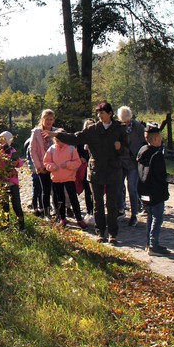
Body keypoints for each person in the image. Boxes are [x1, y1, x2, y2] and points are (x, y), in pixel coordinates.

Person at [51, 101, 127, 243]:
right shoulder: (93, 129)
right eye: (97, 113)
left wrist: (119, 147)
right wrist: (58, 135)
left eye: (102, 112)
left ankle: (113, 234)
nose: (99, 115)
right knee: (97, 203)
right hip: (96, 171)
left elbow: (127, 150)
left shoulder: (119, 129)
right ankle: (100, 232)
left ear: (109, 114)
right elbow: (76, 138)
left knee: (111, 204)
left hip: (113, 171)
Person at [137, 122, 174, 255]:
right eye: (160, 137)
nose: (161, 140)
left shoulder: (142, 151)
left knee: (150, 215)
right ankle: (154, 244)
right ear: (155, 139)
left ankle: (149, 243)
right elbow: (161, 175)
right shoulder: (157, 155)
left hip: (143, 190)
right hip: (155, 192)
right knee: (157, 217)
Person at [44, 129, 86, 228]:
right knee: (60, 199)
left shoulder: (71, 149)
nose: (59, 143)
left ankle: (79, 218)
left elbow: (77, 162)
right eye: (57, 141)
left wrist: (67, 165)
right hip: (56, 178)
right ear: (54, 140)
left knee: (73, 198)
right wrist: (52, 167)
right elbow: (46, 162)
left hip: (69, 178)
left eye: (61, 140)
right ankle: (62, 218)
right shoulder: (52, 149)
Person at [117, 106, 145, 226]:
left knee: (132, 188)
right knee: (118, 186)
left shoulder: (138, 127)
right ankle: (120, 209)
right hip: (121, 161)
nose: (126, 123)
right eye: (124, 121)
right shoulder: (117, 127)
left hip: (134, 162)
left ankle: (134, 214)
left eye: (128, 121)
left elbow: (144, 142)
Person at [29, 109, 57, 219]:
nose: (49, 121)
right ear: (42, 119)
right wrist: (38, 166)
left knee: (56, 190)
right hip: (42, 165)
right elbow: (33, 150)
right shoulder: (36, 132)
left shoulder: (55, 132)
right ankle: (47, 213)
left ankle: (58, 213)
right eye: (47, 119)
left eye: (51, 119)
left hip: (55, 166)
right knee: (45, 190)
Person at [0, 130, 26, 231]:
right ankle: (5, 225)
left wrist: (16, 162)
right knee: (4, 205)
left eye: (4, 139)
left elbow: (20, 164)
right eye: (0, 138)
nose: (1, 140)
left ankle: (21, 226)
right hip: (1, 181)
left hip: (12, 182)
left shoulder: (11, 150)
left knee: (16, 204)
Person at [75, 118, 96, 219]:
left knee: (95, 191)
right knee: (87, 190)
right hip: (84, 167)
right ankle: (89, 210)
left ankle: (96, 209)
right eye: (88, 125)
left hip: (95, 167)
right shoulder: (81, 139)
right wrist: (80, 157)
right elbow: (77, 151)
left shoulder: (98, 137)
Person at [23, 136, 43, 216]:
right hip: (36, 172)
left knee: (41, 191)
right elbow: (30, 161)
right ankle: (35, 208)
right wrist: (36, 169)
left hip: (42, 171)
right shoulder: (30, 147)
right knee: (36, 191)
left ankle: (41, 208)